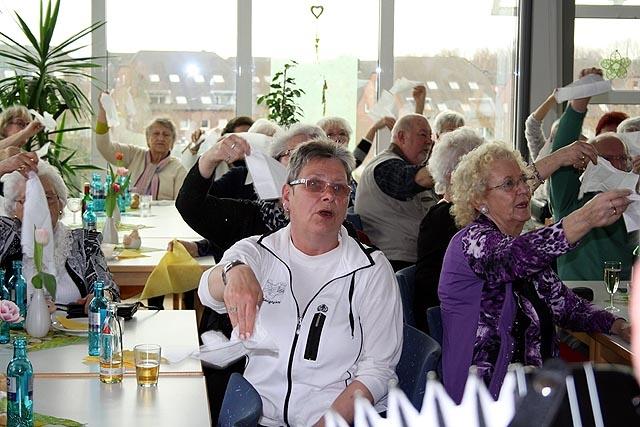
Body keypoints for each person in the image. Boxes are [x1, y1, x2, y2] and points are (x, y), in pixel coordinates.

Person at [198, 139, 402, 426]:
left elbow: (378, 370)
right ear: (287, 196)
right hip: (259, 416)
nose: (328, 195)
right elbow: (207, 293)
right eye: (314, 184)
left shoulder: (370, 270)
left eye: (339, 188)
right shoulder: (259, 252)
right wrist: (233, 273)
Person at [439, 141, 632, 403]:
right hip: (484, 400)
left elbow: (565, 305)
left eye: (522, 180)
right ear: (479, 200)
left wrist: (619, 326)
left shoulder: (522, 246)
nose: (523, 189)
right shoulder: (471, 242)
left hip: (534, 391)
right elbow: (513, 257)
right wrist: (585, 218)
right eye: (509, 184)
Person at [549, 67, 637, 281]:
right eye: (607, 158)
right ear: (588, 161)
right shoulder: (571, 199)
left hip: (624, 294)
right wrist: (581, 97)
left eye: (622, 158)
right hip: (577, 294)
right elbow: (561, 148)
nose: (617, 164)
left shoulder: (632, 196)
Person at [0, 156, 119, 311]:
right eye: (29, 198)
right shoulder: (5, 237)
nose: (40, 206)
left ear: (61, 203)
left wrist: (101, 297)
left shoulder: (84, 243)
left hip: (71, 325)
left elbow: (109, 290)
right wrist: (2, 167)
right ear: (14, 209)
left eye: (47, 198)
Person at [354, 113, 434, 271]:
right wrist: (448, 164)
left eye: (430, 136)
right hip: (393, 264)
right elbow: (413, 180)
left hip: (416, 259)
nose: (429, 141)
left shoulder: (406, 165)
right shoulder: (385, 167)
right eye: (423, 135)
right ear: (402, 137)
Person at [95, 100, 186, 200]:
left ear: (172, 141)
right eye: (156, 133)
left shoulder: (178, 170)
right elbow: (104, 147)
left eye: (166, 135)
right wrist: (103, 112)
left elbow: (180, 204)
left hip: (161, 210)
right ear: (148, 138)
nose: (161, 138)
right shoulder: (134, 154)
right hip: (128, 209)